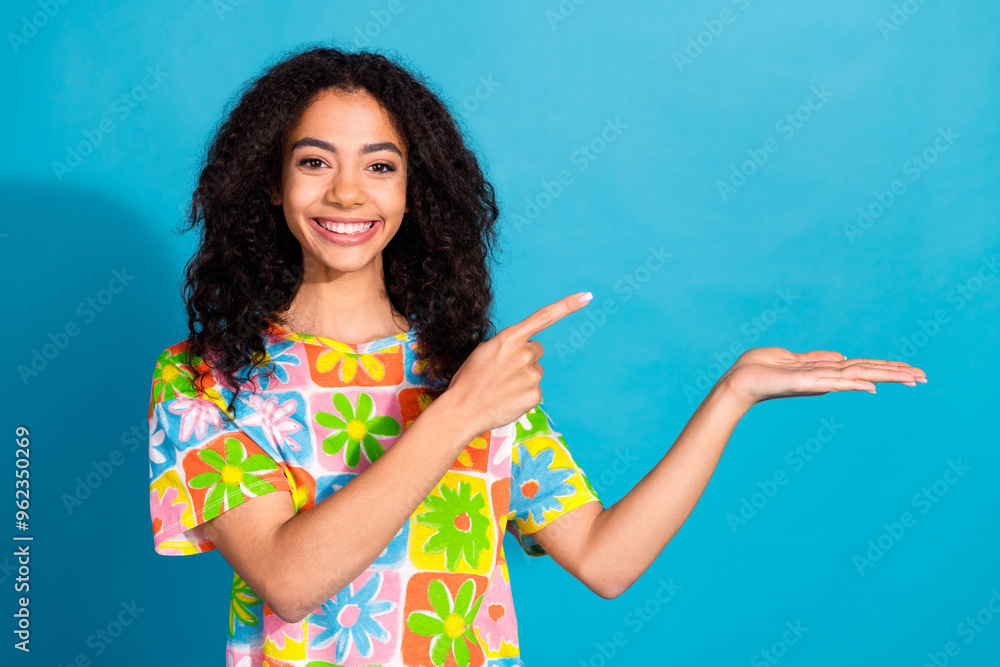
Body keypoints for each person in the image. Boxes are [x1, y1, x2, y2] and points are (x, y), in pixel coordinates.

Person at [147, 45, 926, 666]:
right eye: (315, 161)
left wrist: (732, 395)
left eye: (380, 165)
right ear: (271, 186)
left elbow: (603, 557)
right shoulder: (206, 377)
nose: (349, 193)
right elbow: (290, 580)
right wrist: (458, 414)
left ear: (415, 192)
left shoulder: (468, 372)